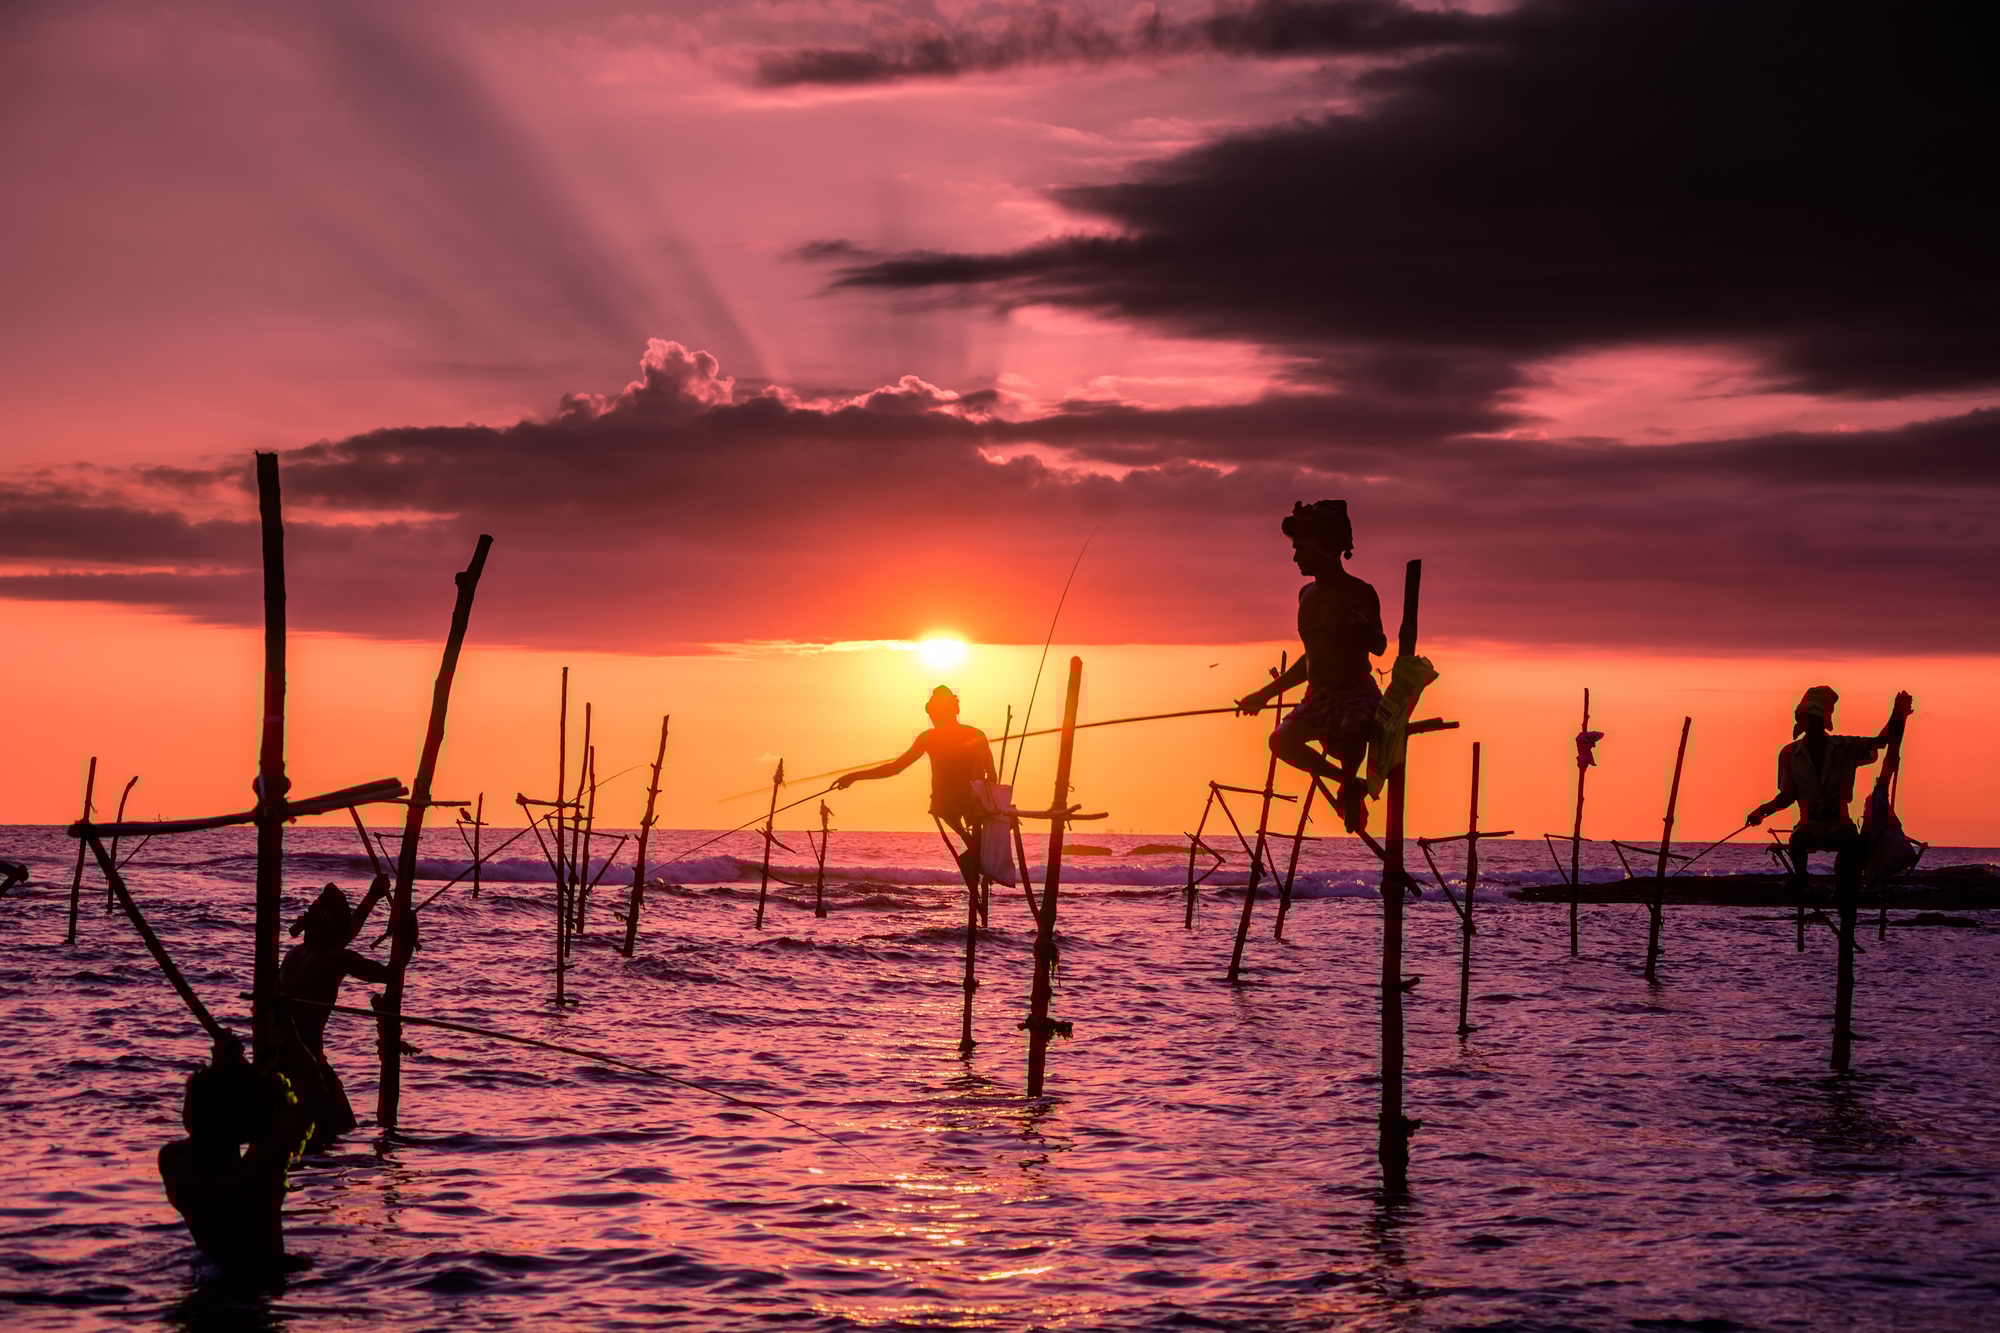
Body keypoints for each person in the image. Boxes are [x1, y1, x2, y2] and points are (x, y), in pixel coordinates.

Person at [1234, 499, 1386, 830]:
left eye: (1302, 548)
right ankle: (1348, 782)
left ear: (1325, 548)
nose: (1296, 557)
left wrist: (1362, 628)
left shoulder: (1360, 592)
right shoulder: (1306, 594)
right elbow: (1310, 658)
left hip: (1356, 693)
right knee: (1281, 741)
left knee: (1352, 726)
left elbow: (1380, 646)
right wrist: (1264, 694)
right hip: (1317, 699)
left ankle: (1349, 793)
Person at [157, 1036, 309, 1269]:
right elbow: (305, 1108)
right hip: (261, 1281)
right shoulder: (257, 1173)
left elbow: (217, 1117)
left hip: (210, 1278)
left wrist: (228, 1068)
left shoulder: (175, 1162)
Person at [831, 685, 997, 886]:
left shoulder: (952, 736)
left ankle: (971, 845)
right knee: (956, 818)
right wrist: (855, 776)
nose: (933, 718)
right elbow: (993, 776)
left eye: (935, 713)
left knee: (958, 819)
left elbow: (895, 768)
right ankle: (971, 845)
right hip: (951, 803)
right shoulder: (960, 735)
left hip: (958, 803)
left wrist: (854, 776)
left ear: (950, 711)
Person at [1747, 686, 1913, 885]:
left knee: (1850, 845)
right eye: (1807, 718)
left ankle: (1848, 884)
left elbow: (1881, 741)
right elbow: (1787, 796)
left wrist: (1898, 714)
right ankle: (1801, 882)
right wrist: (1761, 811)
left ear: (1824, 721)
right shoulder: (1789, 754)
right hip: (1808, 825)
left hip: (1840, 823)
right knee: (1798, 842)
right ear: (1801, 721)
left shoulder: (1845, 746)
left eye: (1815, 719)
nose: (1811, 724)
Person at [277, 878, 398, 1145]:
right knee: (341, 1132)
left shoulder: (295, 955)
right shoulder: (335, 958)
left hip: (276, 1060)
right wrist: (407, 937)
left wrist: (372, 897)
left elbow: (343, 933)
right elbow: (390, 975)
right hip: (307, 1065)